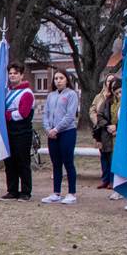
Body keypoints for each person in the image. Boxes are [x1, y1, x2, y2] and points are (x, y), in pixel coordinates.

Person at [40, 69, 78, 204]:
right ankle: (56, 192)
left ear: (67, 79)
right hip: (52, 134)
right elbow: (46, 113)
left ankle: (72, 192)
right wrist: (48, 129)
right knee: (56, 163)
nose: (58, 81)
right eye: (56, 78)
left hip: (67, 132)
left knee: (68, 162)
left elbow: (70, 115)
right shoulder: (51, 95)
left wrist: (57, 129)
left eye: (61, 78)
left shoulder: (71, 94)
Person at [2, 63, 35, 201]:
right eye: (10, 73)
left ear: (21, 75)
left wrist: (6, 115)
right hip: (8, 131)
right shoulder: (7, 92)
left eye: (15, 73)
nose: (12, 76)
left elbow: (23, 113)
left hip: (22, 132)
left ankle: (26, 191)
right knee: (9, 162)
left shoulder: (27, 93)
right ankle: (12, 190)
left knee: (22, 161)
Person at [91, 75, 121, 198]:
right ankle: (106, 180)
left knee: (115, 159)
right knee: (105, 157)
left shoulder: (126, 103)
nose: (118, 94)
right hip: (105, 133)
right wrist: (108, 126)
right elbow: (99, 115)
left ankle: (116, 183)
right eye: (116, 91)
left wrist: (117, 127)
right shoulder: (105, 101)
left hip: (118, 134)